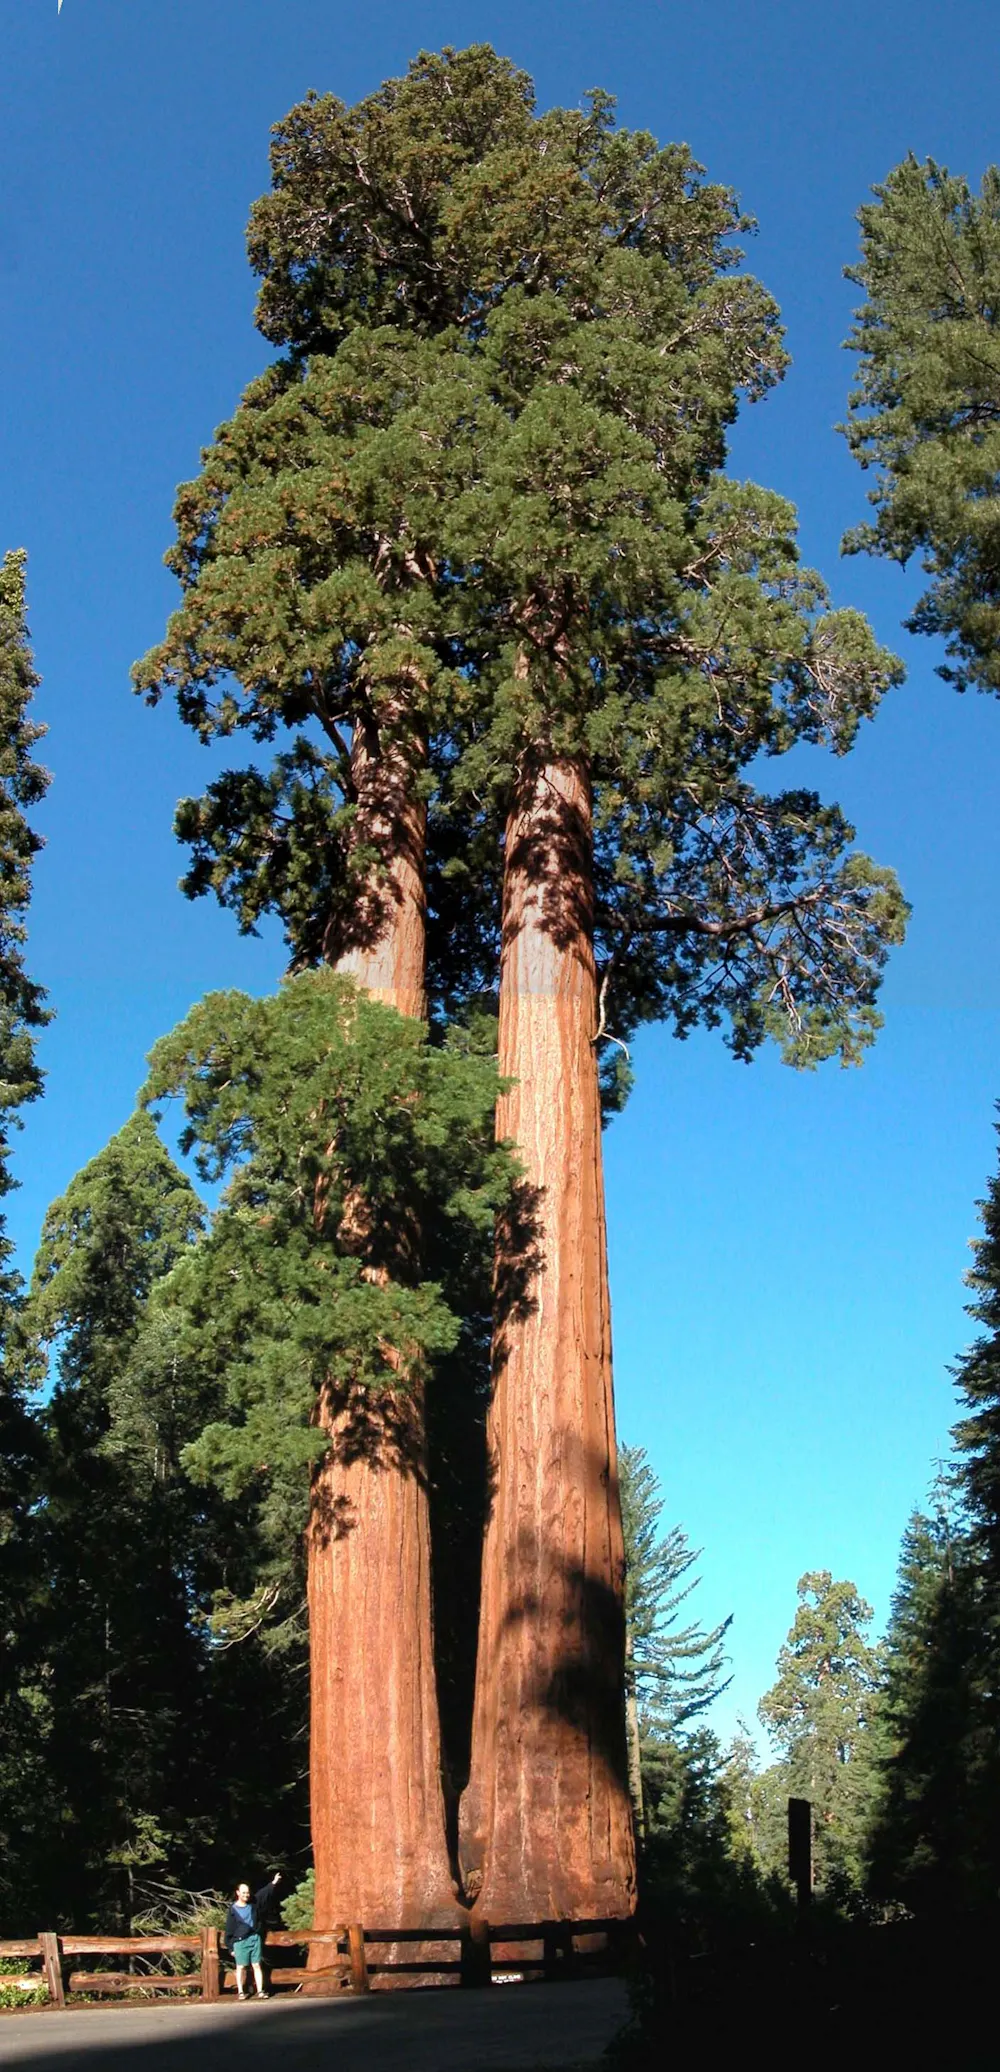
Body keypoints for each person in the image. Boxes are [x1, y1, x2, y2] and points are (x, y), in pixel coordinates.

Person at [223, 1873, 283, 2001]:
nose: (246, 1895)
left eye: (248, 1893)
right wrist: (230, 1947)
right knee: (241, 1966)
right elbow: (229, 1929)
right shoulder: (233, 1910)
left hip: (254, 1938)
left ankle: (260, 1991)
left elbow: (263, 1894)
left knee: (256, 1965)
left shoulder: (253, 1904)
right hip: (240, 1942)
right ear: (238, 1893)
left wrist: (273, 1883)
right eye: (243, 1893)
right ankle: (241, 1992)